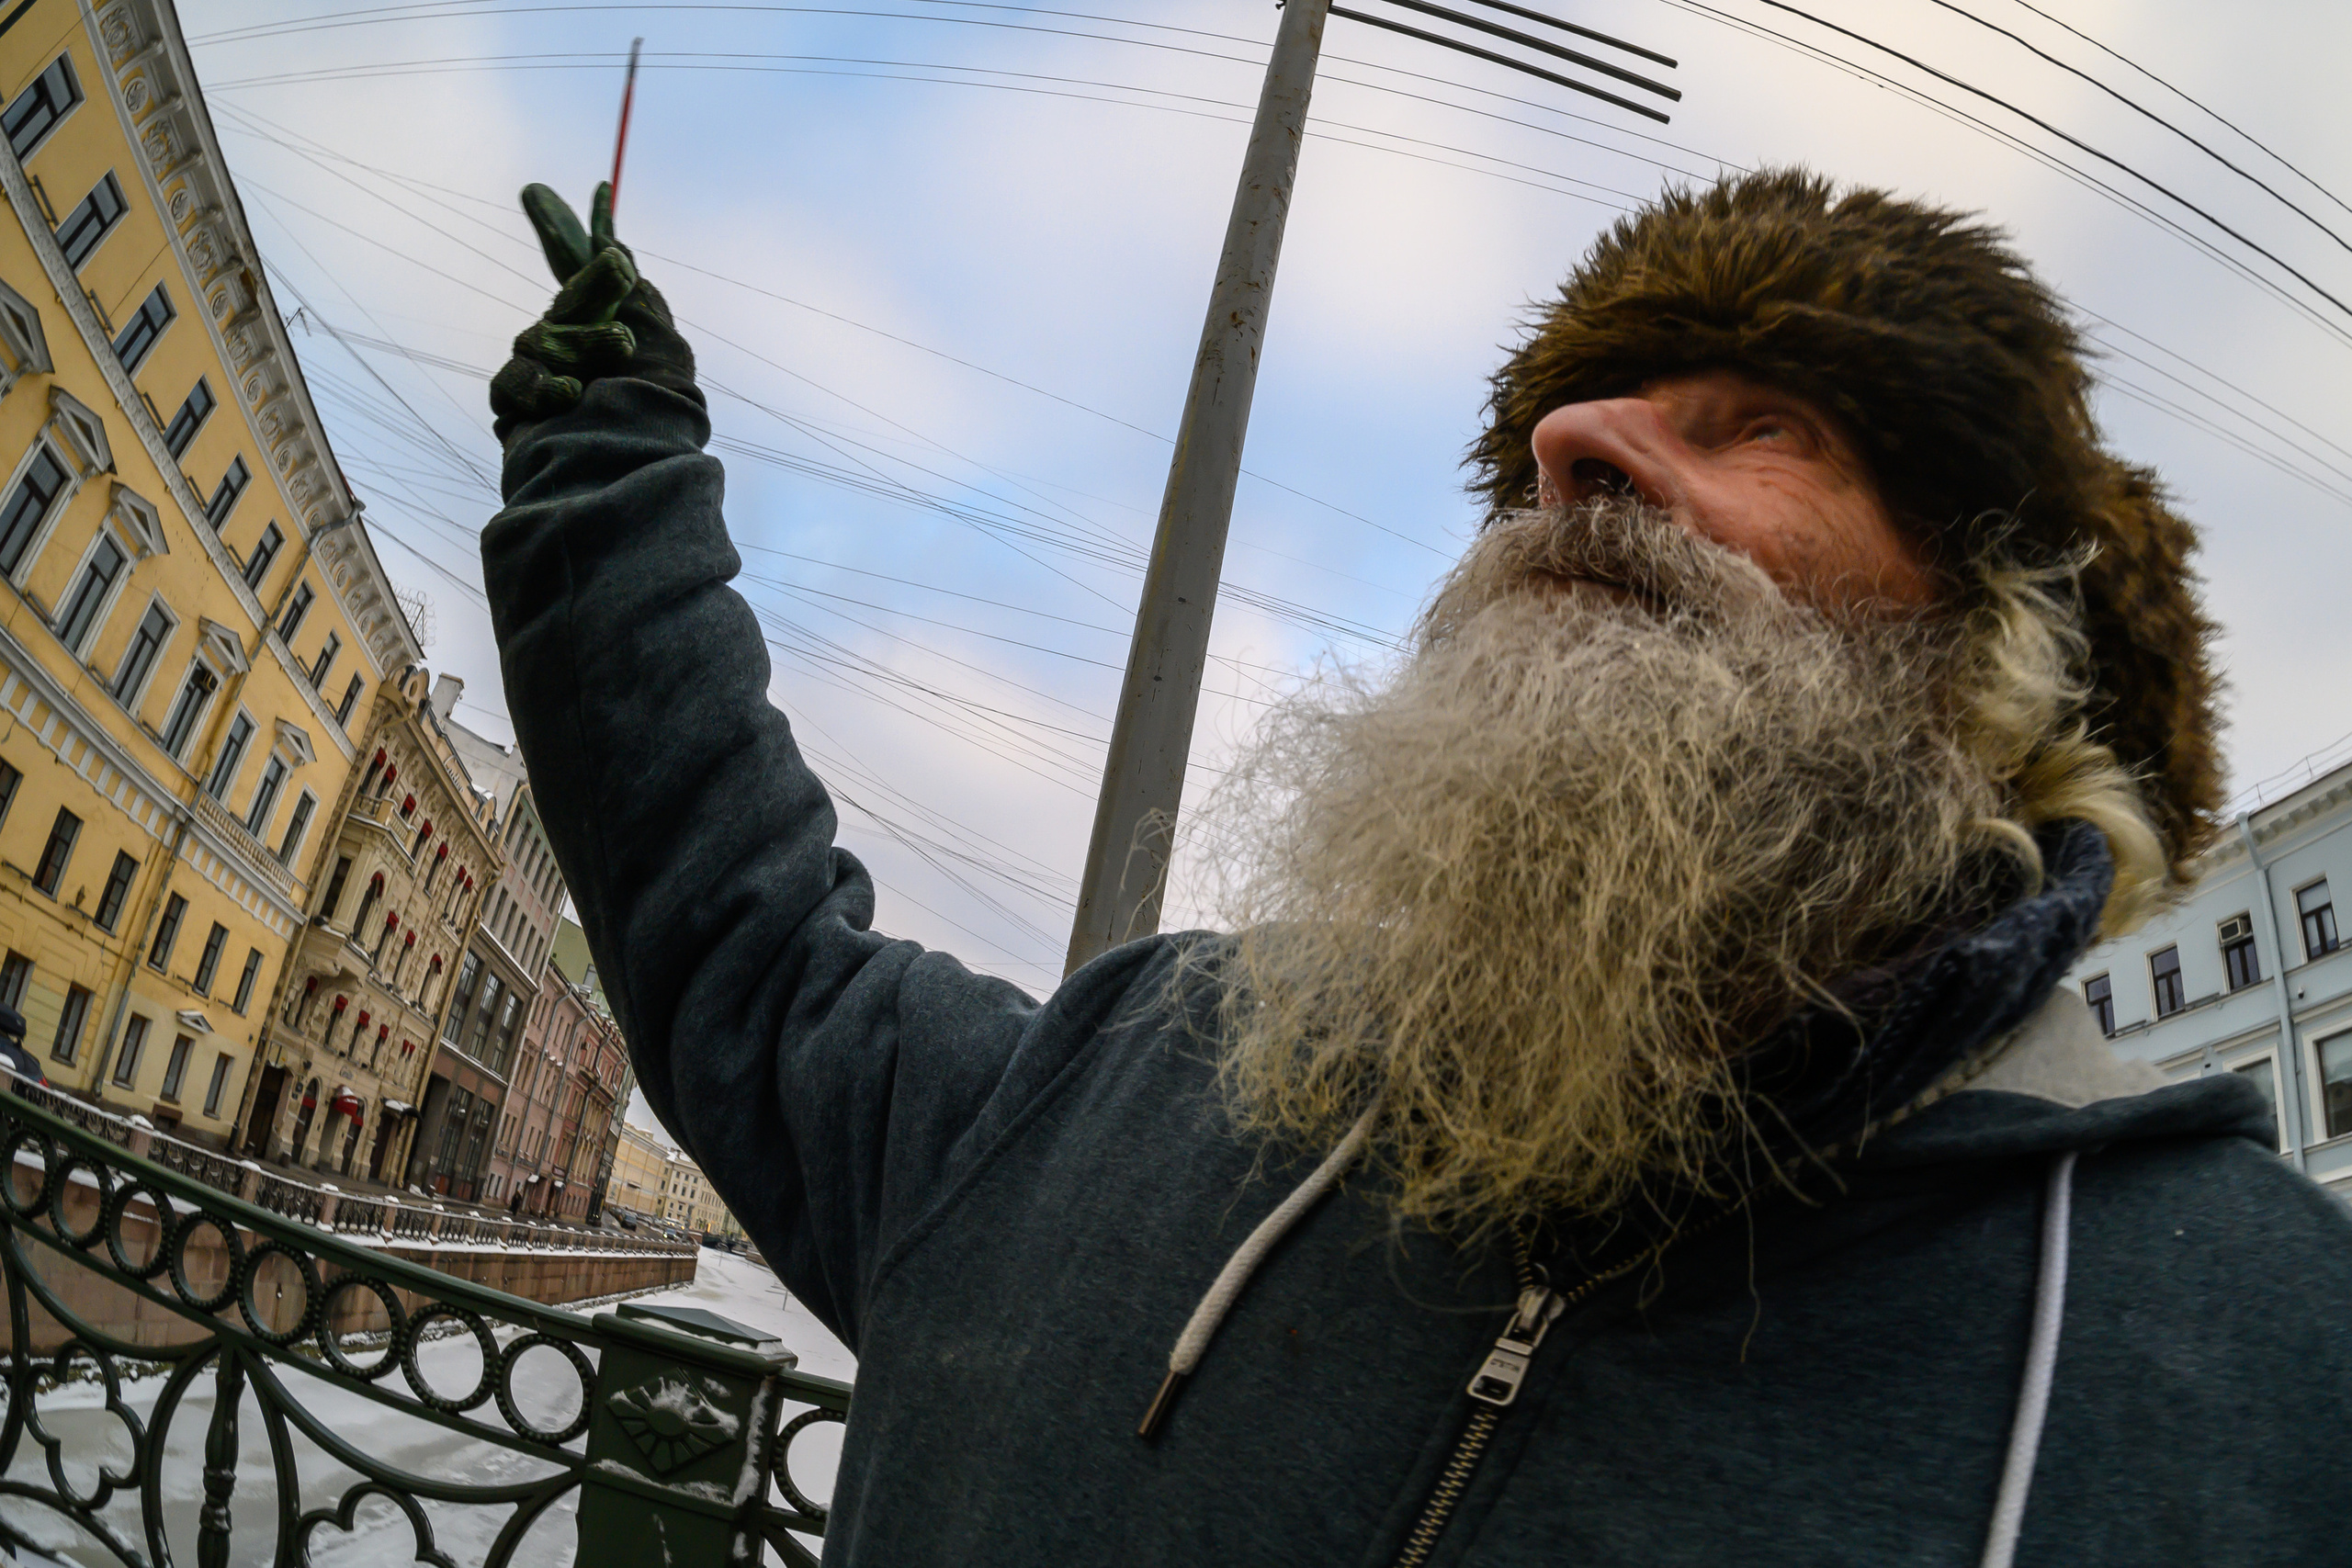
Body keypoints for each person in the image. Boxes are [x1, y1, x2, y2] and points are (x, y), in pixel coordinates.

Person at [483, 170, 2352, 1565]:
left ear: (1994, 650)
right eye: (1551, 444)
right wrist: (608, 475)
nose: (1570, 446)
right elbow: (754, 963)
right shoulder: (1151, 1055)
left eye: (1761, 426)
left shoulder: (2255, 1360)